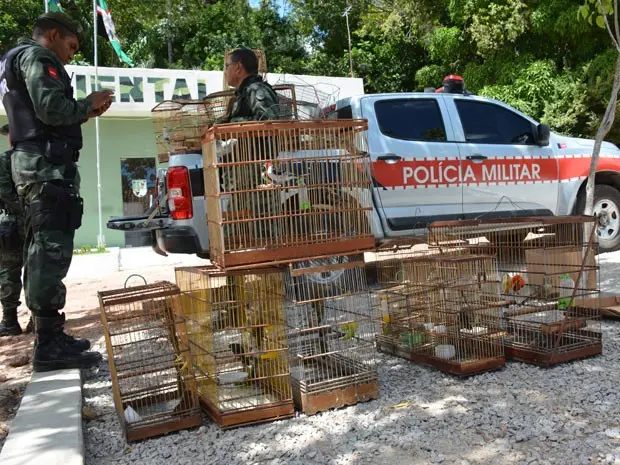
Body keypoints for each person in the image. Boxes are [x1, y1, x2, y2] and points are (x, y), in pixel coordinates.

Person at [1, 12, 113, 371]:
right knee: (49, 249)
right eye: (71, 46)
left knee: (40, 248)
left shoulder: (13, 59)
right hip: (46, 167)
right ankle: (48, 345)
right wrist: (88, 105)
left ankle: (49, 334)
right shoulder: (36, 56)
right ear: (53, 35)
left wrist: (84, 114)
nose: (71, 55)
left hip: (36, 165)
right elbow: (50, 108)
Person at [0, 124, 31, 337]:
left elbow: (4, 192)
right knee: (35, 270)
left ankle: (12, 321)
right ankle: (30, 320)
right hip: (33, 222)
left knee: (11, 271)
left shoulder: (5, 160)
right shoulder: (37, 158)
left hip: (13, 223)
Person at [224, 48, 280, 122]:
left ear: (238, 67)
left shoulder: (256, 89)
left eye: (227, 66)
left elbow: (268, 122)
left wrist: (232, 123)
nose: (225, 72)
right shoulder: (245, 92)